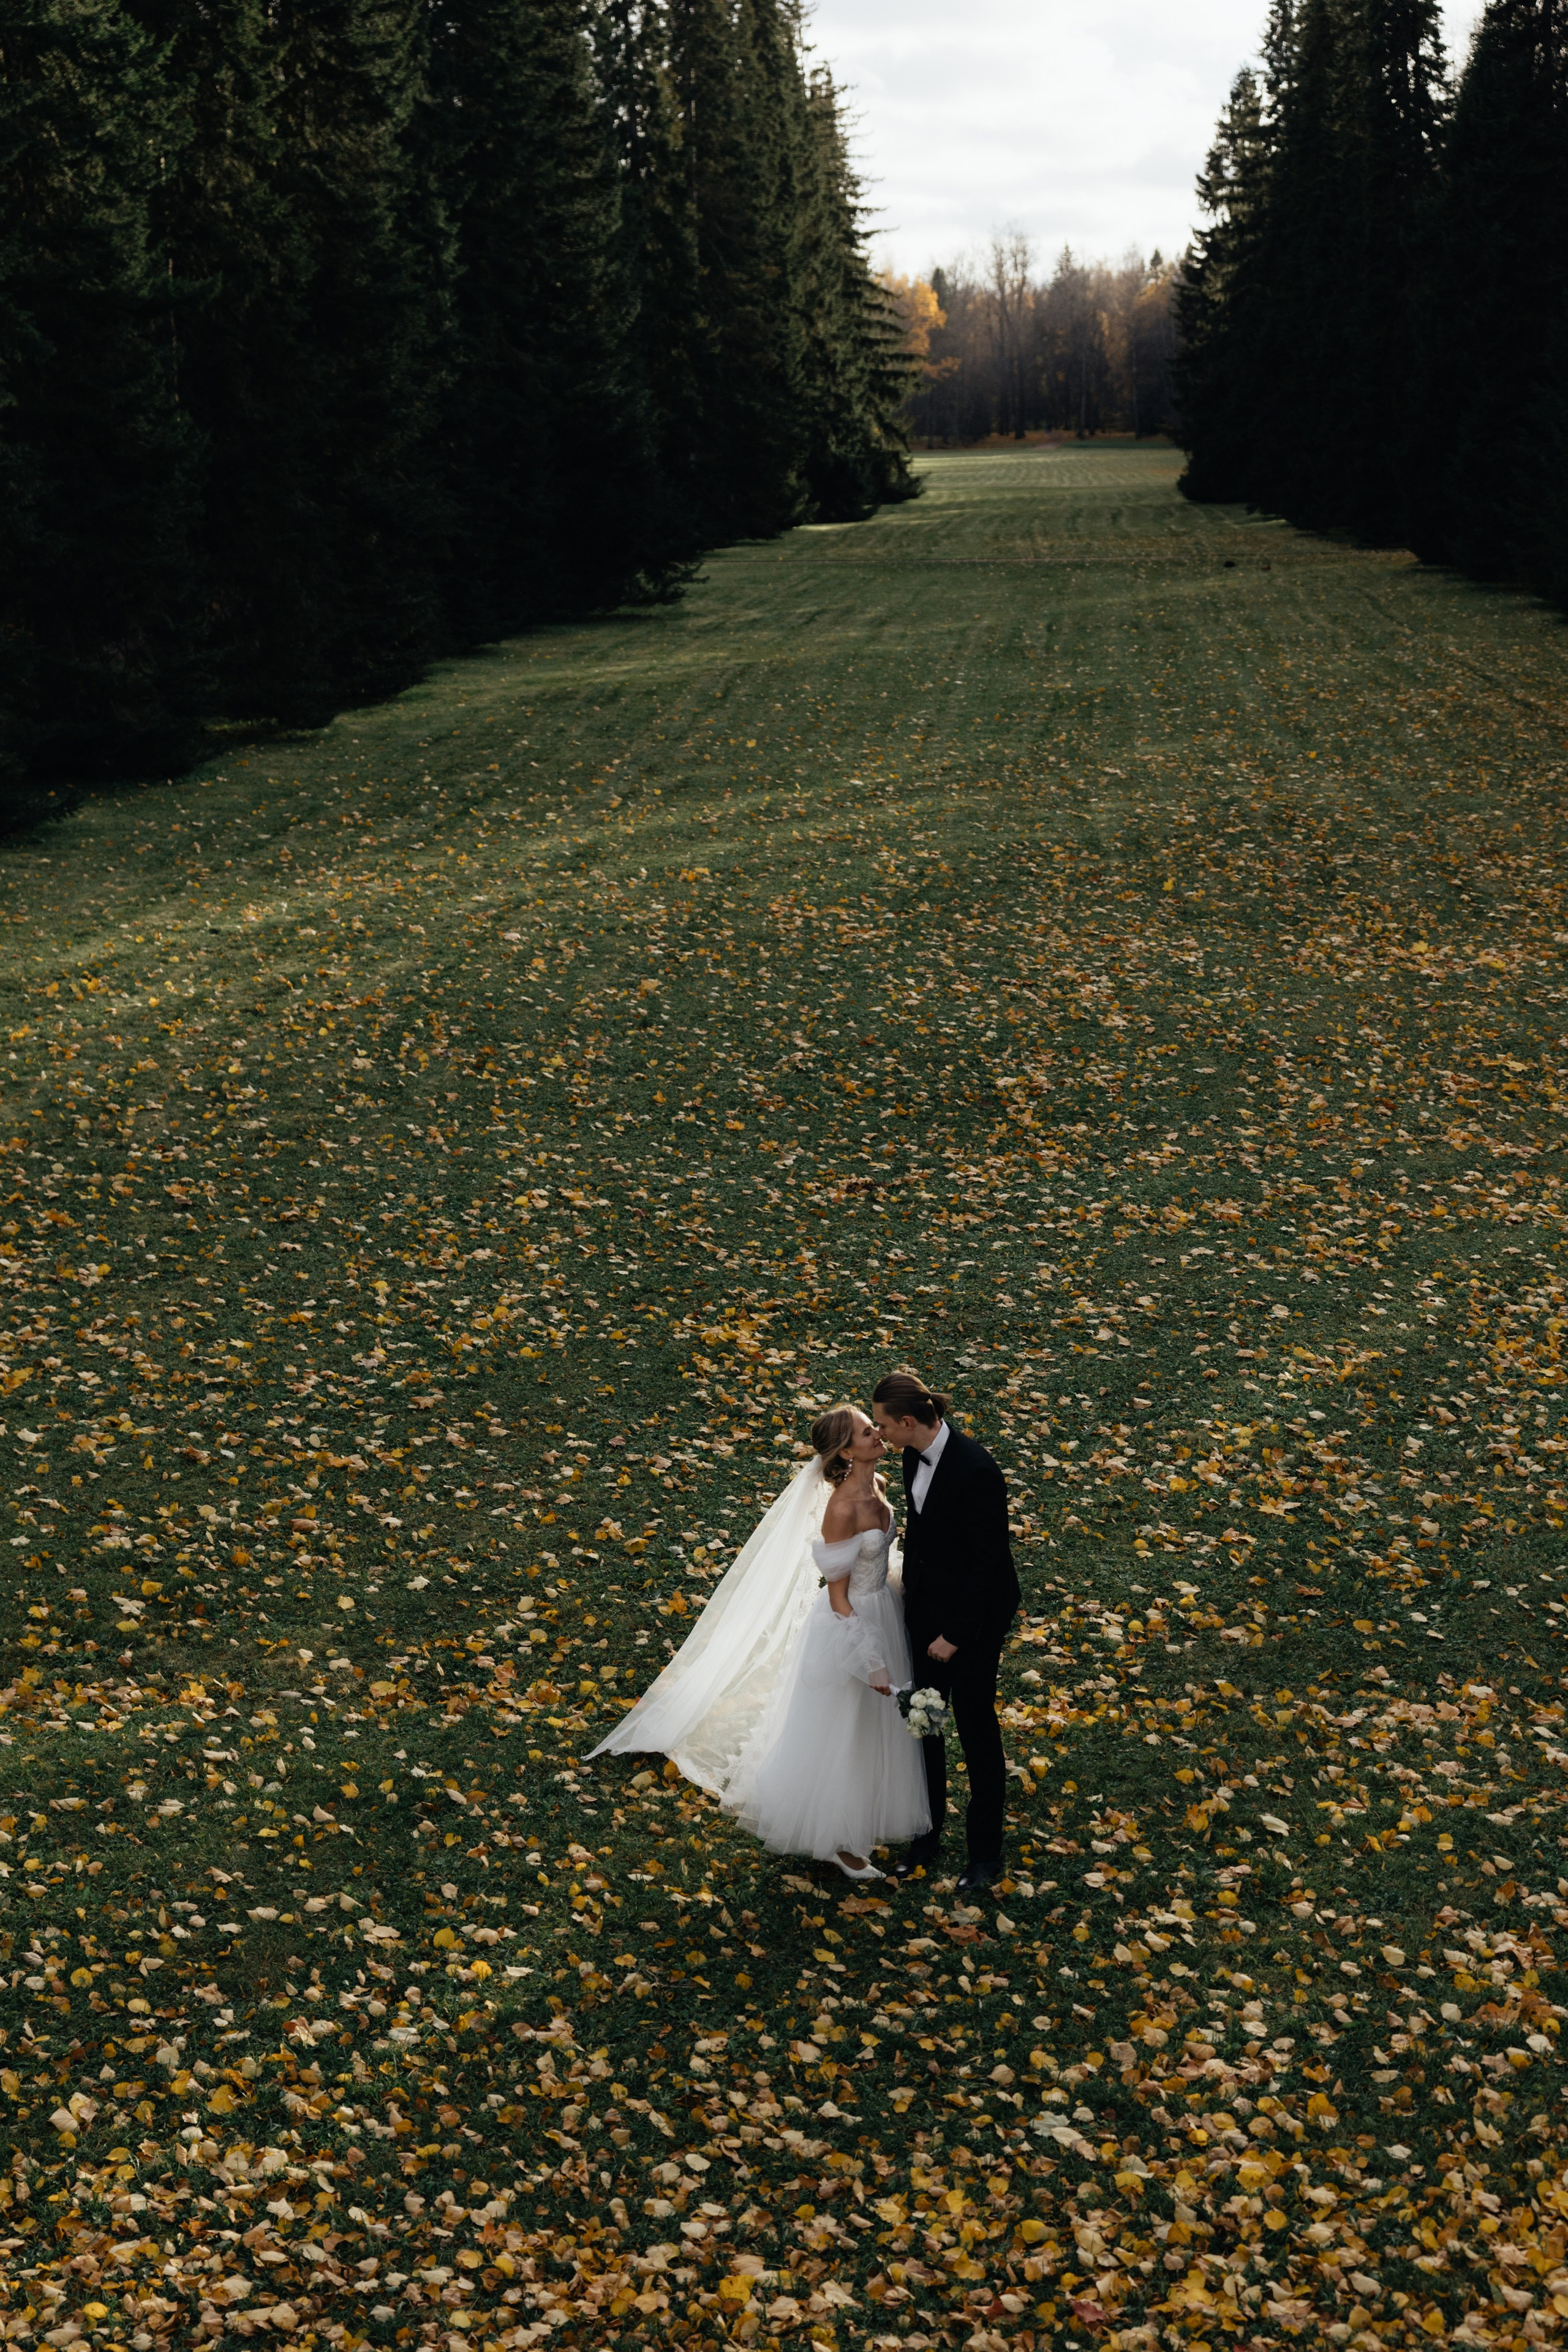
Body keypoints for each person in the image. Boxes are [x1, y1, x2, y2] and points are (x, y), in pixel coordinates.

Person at [587, 1404, 930, 1881]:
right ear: (847, 1450)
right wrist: (869, 1659)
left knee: (873, 1732)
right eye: (867, 1431)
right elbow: (837, 1598)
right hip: (850, 1625)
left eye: (875, 1429)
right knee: (842, 1730)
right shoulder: (842, 1508)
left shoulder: (879, 1486)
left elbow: (874, 1563)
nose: (878, 1435)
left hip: (883, 1610)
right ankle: (832, 1840)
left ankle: (858, 1826)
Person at [870, 1368, 1019, 1892]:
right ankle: (925, 1837)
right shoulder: (913, 1454)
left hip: (974, 1625)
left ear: (908, 1421)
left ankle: (984, 1855)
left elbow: (989, 1567)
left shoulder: (978, 1470)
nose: (880, 1435)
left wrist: (954, 1635)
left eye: (883, 1426)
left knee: (976, 1729)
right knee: (924, 1728)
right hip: (927, 1615)